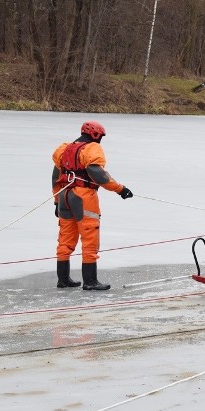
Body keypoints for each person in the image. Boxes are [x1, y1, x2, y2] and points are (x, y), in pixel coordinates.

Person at [52, 120, 133, 291]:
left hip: (64, 195)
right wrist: (120, 189)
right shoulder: (92, 149)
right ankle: (90, 281)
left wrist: (57, 201)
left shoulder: (64, 149)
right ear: (95, 135)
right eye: (100, 137)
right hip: (83, 197)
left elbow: (55, 176)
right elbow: (98, 175)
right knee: (89, 238)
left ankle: (63, 279)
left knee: (65, 239)